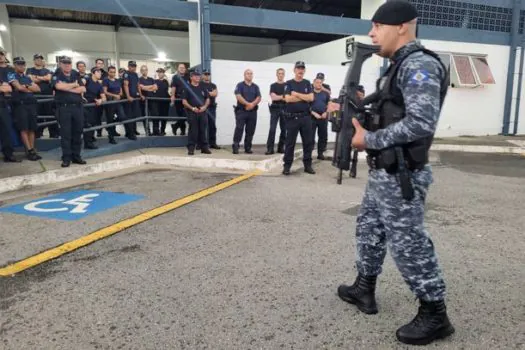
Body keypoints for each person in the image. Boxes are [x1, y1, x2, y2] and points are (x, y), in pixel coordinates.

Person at [337, 1, 454, 346]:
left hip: (402, 172)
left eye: (377, 26)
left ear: (402, 26)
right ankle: (364, 288)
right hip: (384, 170)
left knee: (408, 243)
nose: (371, 34)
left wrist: (368, 138)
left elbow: (420, 122)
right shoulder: (396, 66)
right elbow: (392, 109)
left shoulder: (419, 65)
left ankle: (435, 314)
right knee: (369, 227)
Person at [51, 56, 87, 168]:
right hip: (64, 108)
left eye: (69, 63)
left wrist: (67, 88)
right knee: (66, 134)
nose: (67, 65)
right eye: (64, 63)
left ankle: (76, 156)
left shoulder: (75, 74)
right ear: (60, 64)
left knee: (78, 132)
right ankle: (66, 158)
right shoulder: (56, 74)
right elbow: (58, 86)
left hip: (77, 108)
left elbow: (83, 89)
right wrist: (74, 85)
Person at [282, 61, 315, 175]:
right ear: (294, 70)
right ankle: (287, 166)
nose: (300, 71)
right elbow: (287, 99)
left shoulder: (307, 83)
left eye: (302, 69)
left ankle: (308, 166)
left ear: (304, 70)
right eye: (298, 68)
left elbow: (311, 98)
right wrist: (303, 97)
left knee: (308, 143)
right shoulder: (289, 83)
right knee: (290, 144)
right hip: (292, 119)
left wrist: (296, 94)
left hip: (305, 118)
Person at [8, 57, 42, 160]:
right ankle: (29, 150)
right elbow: (18, 87)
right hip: (20, 105)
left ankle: (32, 150)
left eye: (23, 64)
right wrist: (29, 87)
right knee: (24, 128)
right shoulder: (12, 75)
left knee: (32, 128)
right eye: (19, 64)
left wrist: (25, 87)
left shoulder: (27, 77)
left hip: (30, 104)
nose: (21, 66)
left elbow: (38, 89)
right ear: (14, 65)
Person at [182, 69, 210, 155]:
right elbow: (184, 101)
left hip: (202, 111)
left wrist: (204, 107)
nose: (198, 77)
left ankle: (204, 148)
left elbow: (208, 99)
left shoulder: (202, 87)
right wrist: (192, 108)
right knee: (193, 130)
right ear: (191, 77)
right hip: (192, 112)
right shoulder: (187, 88)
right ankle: (191, 148)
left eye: (199, 75)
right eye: (196, 76)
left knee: (203, 130)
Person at [232, 69, 261, 154]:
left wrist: (252, 104)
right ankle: (236, 146)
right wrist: (248, 104)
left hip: (252, 112)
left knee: (250, 130)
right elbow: (238, 96)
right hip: (242, 111)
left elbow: (259, 97)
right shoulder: (240, 85)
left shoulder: (255, 86)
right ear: (244, 75)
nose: (250, 75)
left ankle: (247, 147)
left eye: (251, 74)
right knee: (239, 128)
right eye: (248, 74)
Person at [82, 67, 106, 149]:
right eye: (98, 72)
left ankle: (89, 142)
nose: (100, 74)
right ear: (93, 73)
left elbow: (104, 97)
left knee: (92, 124)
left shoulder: (99, 85)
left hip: (93, 107)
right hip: (84, 106)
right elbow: (80, 85)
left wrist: (100, 100)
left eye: (101, 72)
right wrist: (81, 96)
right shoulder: (87, 79)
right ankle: (87, 142)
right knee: (87, 124)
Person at [266, 68, 287, 155]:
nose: (280, 75)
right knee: (272, 129)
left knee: (284, 129)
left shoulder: (287, 85)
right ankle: (270, 149)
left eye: (282, 73)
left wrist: (279, 96)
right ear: (277, 74)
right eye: (279, 73)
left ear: (284, 75)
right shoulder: (273, 85)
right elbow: (273, 97)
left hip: (285, 108)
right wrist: (283, 96)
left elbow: (288, 97)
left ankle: (281, 148)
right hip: (275, 108)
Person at [310, 77, 330, 160]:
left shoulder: (325, 94)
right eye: (317, 82)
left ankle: (320, 153)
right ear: (314, 83)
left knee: (322, 136)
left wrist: (326, 112)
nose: (318, 84)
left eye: (320, 83)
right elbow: (306, 106)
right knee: (310, 137)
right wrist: (314, 113)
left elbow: (329, 104)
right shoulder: (310, 94)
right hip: (312, 118)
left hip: (323, 118)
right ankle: (309, 154)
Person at [201, 69, 220, 149]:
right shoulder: (200, 84)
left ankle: (213, 143)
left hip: (212, 108)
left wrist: (206, 93)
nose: (207, 76)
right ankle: (202, 144)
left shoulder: (213, 85)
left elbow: (215, 94)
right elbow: (199, 93)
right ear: (202, 75)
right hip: (202, 108)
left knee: (212, 126)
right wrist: (210, 93)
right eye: (205, 74)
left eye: (208, 74)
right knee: (202, 126)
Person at [123, 61, 141, 137]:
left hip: (135, 98)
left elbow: (138, 85)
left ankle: (134, 130)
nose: (133, 67)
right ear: (128, 66)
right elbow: (125, 85)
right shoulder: (126, 74)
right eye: (131, 66)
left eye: (134, 66)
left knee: (134, 115)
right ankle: (129, 133)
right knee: (129, 116)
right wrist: (128, 96)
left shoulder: (135, 74)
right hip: (129, 99)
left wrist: (141, 94)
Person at [154, 67, 170, 136]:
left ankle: (163, 130)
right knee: (157, 116)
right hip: (157, 102)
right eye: (158, 72)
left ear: (163, 73)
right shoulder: (155, 81)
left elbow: (170, 90)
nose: (160, 73)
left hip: (165, 102)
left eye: (161, 72)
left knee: (164, 117)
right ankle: (156, 130)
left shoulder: (166, 81)